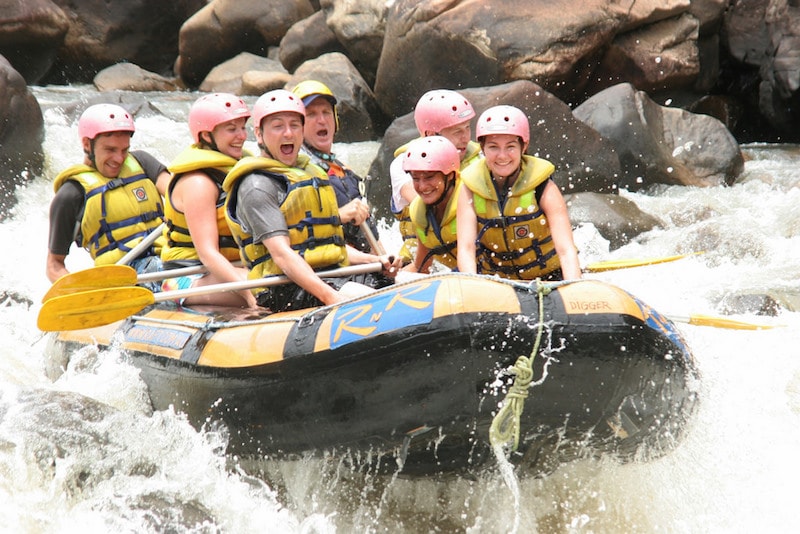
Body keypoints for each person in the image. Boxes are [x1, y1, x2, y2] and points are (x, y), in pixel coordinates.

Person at [222, 89, 401, 312]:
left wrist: (373, 261)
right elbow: (282, 256)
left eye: (295, 125)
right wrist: (330, 297)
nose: (288, 133)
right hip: (286, 287)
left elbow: (327, 246)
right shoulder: (256, 186)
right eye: (278, 126)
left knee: (407, 282)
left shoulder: (312, 173)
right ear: (259, 134)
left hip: (330, 274)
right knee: (386, 304)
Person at [47, 103, 169, 285]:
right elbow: (54, 265)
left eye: (124, 150)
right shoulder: (71, 195)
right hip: (126, 274)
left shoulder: (142, 162)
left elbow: (180, 195)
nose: (119, 159)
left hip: (170, 255)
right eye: (110, 150)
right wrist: (76, 291)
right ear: (87, 144)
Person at [456, 105, 582, 281]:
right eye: (493, 147)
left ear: (524, 146)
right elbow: (466, 248)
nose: (502, 156)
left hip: (548, 278)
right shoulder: (470, 187)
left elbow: (566, 249)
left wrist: (573, 286)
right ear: (482, 147)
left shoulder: (543, 186)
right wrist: (474, 287)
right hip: (496, 281)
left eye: (510, 147)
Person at [160, 93, 257, 308]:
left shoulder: (240, 168)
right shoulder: (198, 183)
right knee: (264, 288)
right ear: (206, 136)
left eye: (243, 128)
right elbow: (208, 254)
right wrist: (249, 296)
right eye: (232, 129)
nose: (242, 136)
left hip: (236, 266)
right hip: (188, 276)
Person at [291, 80, 389, 257]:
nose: (321, 120)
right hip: (333, 268)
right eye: (311, 114)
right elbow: (297, 233)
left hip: (364, 262)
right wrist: (338, 215)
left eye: (326, 112)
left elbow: (369, 232)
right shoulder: (296, 172)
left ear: (335, 119)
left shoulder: (344, 170)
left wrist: (386, 260)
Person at [390, 89, 481, 263]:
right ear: (430, 134)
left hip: (470, 254)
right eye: (456, 132)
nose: (465, 138)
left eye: (467, 128)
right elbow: (427, 201)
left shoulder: (479, 158)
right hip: (421, 258)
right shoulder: (404, 163)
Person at [401, 136, 461, 274]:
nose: (422, 186)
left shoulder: (470, 201)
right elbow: (421, 267)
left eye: (429, 177)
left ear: (450, 175)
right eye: (415, 178)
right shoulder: (419, 212)